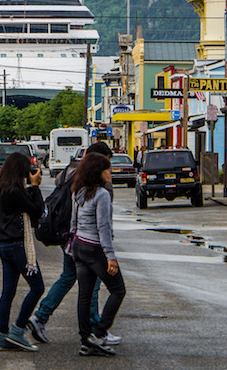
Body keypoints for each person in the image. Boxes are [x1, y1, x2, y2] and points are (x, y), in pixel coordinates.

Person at [28, 141, 112, 344]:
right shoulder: (89, 178)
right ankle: (94, 327)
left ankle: (40, 316)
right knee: (91, 282)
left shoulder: (69, 171)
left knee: (68, 277)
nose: (109, 169)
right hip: (85, 240)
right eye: (107, 164)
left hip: (68, 236)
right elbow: (94, 215)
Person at [71, 151, 126, 357]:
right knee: (118, 290)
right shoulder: (102, 195)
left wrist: (72, 244)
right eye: (107, 169)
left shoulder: (78, 191)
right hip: (95, 249)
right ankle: (99, 332)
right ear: (99, 172)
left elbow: (73, 222)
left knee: (84, 295)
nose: (110, 173)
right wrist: (110, 256)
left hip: (79, 246)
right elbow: (103, 227)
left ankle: (85, 339)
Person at [0, 151, 45, 352]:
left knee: (8, 292)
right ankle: (18, 330)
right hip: (17, 246)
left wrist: (30, 188)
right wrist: (35, 186)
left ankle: (1, 335)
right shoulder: (15, 191)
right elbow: (37, 210)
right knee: (37, 287)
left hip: (4, 245)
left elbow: (28, 205)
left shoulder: (3, 189)